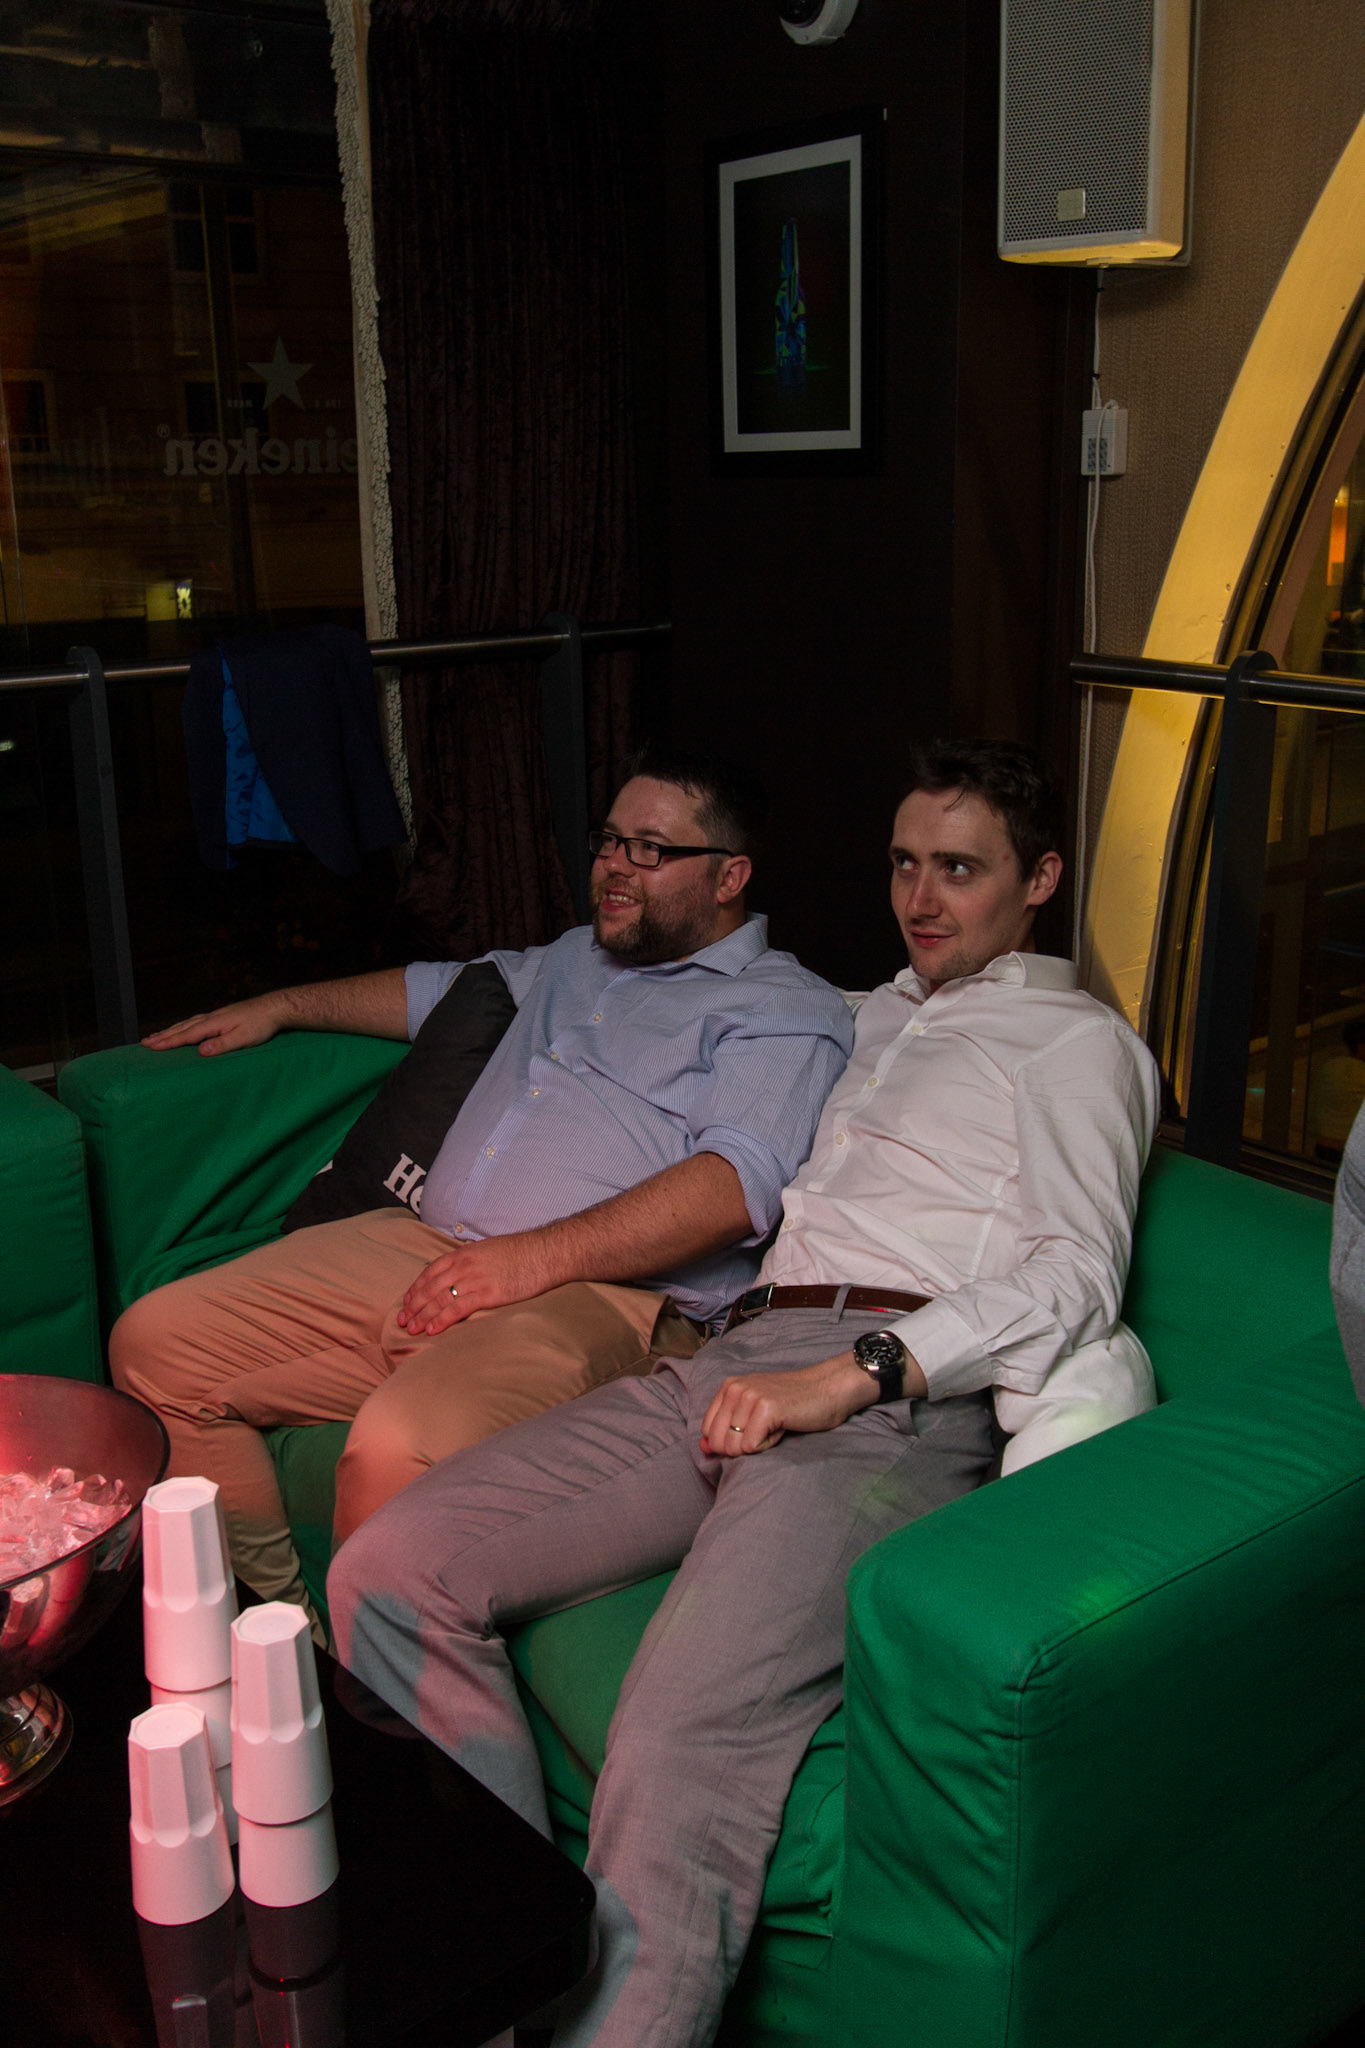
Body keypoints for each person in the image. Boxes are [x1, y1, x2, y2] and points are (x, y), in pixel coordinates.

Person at [327, 738, 1162, 2048]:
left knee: (676, 1736)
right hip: (728, 1353)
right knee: (390, 1571)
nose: (921, 896)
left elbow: (1075, 1276)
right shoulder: (863, 1015)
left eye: (960, 869)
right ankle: (503, 1975)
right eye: (904, 863)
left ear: (1041, 878)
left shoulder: (1079, 1044)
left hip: (881, 1402)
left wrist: (856, 1371)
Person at [110, 743, 854, 1634]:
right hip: (425, 1248)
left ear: (729, 875)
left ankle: (367, 1682)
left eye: (651, 850)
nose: (615, 867)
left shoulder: (784, 1008)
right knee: (155, 1344)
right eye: (608, 841)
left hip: (604, 1297)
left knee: (398, 1445)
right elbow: (428, 992)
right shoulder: (573, 957)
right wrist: (284, 1004)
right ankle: (287, 1634)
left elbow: (731, 1188)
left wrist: (524, 1262)